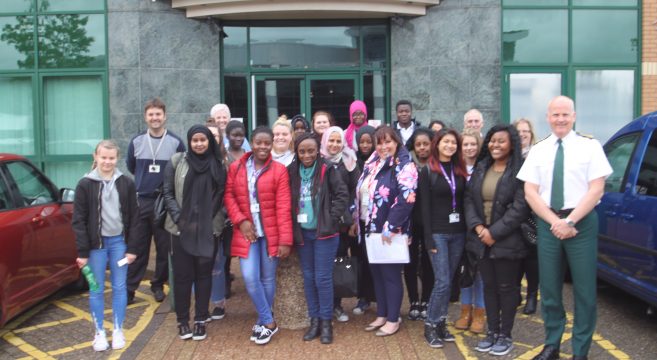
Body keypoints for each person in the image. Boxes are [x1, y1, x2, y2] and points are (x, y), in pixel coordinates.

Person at [517, 96, 612, 360]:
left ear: (574, 116)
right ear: (548, 117)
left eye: (565, 114)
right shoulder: (539, 149)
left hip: (580, 223)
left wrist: (570, 221)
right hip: (549, 223)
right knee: (549, 289)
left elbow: (597, 188)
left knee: (584, 291)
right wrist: (555, 222)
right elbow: (530, 192)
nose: (560, 119)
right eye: (555, 114)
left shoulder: (590, 146)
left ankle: (580, 351)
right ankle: (552, 344)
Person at [464, 124, 530, 355]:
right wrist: (479, 228)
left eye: (501, 141)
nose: (495, 145)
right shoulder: (482, 167)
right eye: (492, 140)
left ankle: (505, 335)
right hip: (482, 239)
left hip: (508, 240)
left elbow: (520, 207)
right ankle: (492, 332)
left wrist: (494, 232)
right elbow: (469, 200)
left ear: (512, 143)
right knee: (489, 288)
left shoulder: (520, 171)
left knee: (507, 288)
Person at [224, 126, 293, 345]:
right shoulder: (237, 167)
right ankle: (268, 321)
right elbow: (229, 195)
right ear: (251, 143)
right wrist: (241, 221)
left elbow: (283, 207)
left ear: (271, 144)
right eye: (258, 142)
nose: (262, 147)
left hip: (270, 233)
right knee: (250, 277)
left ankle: (265, 321)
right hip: (248, 233)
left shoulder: (279, 170)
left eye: (267, 143)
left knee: (267, 278)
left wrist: (285, 240)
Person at [349, 125, 418, 337]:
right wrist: (355, 216)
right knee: (377, 274)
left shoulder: (404, 165)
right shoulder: (373, 163)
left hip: (390, 231)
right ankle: (382, 313)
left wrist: (391, 226)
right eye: (379, 142)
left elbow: (406, 199)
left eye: (388, 141)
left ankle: (393, 318)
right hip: (370, 228)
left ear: (397, 141)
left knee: (390, 276)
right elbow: (362, 192)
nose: (383, 146)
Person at [72, 140, 139, 351]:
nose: (107, 162)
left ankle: (118, 329)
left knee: (120, 287)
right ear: (95, 157)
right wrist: (82, 252)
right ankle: (99, 332)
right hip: (95, 246)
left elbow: (135, 218)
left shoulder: (126, 183)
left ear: (116, 159)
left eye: (111, 158)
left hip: (119, 243)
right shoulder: (84, 184)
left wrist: (132, 248)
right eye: (103, 157)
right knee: (96, 288)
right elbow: (78, 220)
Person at [162, 125, 226, 341]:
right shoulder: (177, 161)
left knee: (203, 275)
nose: (199, 143)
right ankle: (182, 321)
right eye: (195, 140)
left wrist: (206, 219)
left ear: (210, 141)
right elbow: (168, 192)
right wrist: (180, 218)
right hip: (180, 229)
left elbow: (222, 194)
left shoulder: (218, 164)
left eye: (203, 140)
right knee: (182, 276)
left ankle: (200, 319)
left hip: (208, 228)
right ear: (189, 141)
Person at [289, 133, 349, 344]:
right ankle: (314, 320)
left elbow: (342, 195)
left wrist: (331, 220)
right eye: (302, 151)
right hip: (303, 233)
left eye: (311, 150)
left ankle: (326, 322)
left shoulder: (327, 168)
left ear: (318, 150)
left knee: (322, 278)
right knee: (308, 277)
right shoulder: (292, 171)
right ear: (296, 152)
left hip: (324, 233)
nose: (306, 155)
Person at [126, 98, 185, 304]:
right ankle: (130, 289)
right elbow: (132, 167)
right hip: (142, 201)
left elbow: (180, 170)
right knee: (137, 247)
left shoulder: (176, 142)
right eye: (151, 114)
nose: (155, 118)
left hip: (164, 202)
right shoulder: (136, 142)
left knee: (163, 248)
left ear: (165, 116)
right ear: (146, 117)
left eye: (158, 114)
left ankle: (158, 285)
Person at [418, 129, 468, 348]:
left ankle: (441, 323)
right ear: (437, 145)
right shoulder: (428, 171)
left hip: (458, 233)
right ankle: (430, 325)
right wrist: (428, 239)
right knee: (442, 281)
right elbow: (424, 208)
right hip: (437, 234)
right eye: (446, 142)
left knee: (449, 282)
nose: (450, 146)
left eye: (453, 143)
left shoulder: (459, 169)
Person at [319, 126, 361, 323]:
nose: (334, 145)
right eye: (331, 141)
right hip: (322, 222)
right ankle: (322, 305)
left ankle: (336, 305)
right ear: (325, 140)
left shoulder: (349, 160)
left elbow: (356, 190)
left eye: (338, 141)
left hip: (343, 223)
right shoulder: (318, 159)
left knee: (338, 263)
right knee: (322, 265)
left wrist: (353, 217)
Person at [454, 128, 486, 334]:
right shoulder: (456, 168)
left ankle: (480, 313)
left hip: (479, 226)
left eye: (473, 144)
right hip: (458, 227)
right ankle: (465, 312)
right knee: (464, 271)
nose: (469, 147)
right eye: (465, 144)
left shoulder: (484, 168)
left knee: (480, 272)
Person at [405, 128, 435, 321]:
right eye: (418, 144)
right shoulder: (407, 166)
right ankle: (413, 300)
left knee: (428, 262)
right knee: (410, 262)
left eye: (426, 144)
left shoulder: (437, 166)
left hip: (432, 222)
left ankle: (426, 300)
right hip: (410, 222)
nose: (422, 148)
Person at [514, 117, 540, 315]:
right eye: (519, 131)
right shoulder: (509, 157)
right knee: (514, 257)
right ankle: (515, 294)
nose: (522, 134)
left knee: (532, 258)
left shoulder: (538, 155)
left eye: (526, 131)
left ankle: (532, 295)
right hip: (512, 213)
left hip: (532, 214)